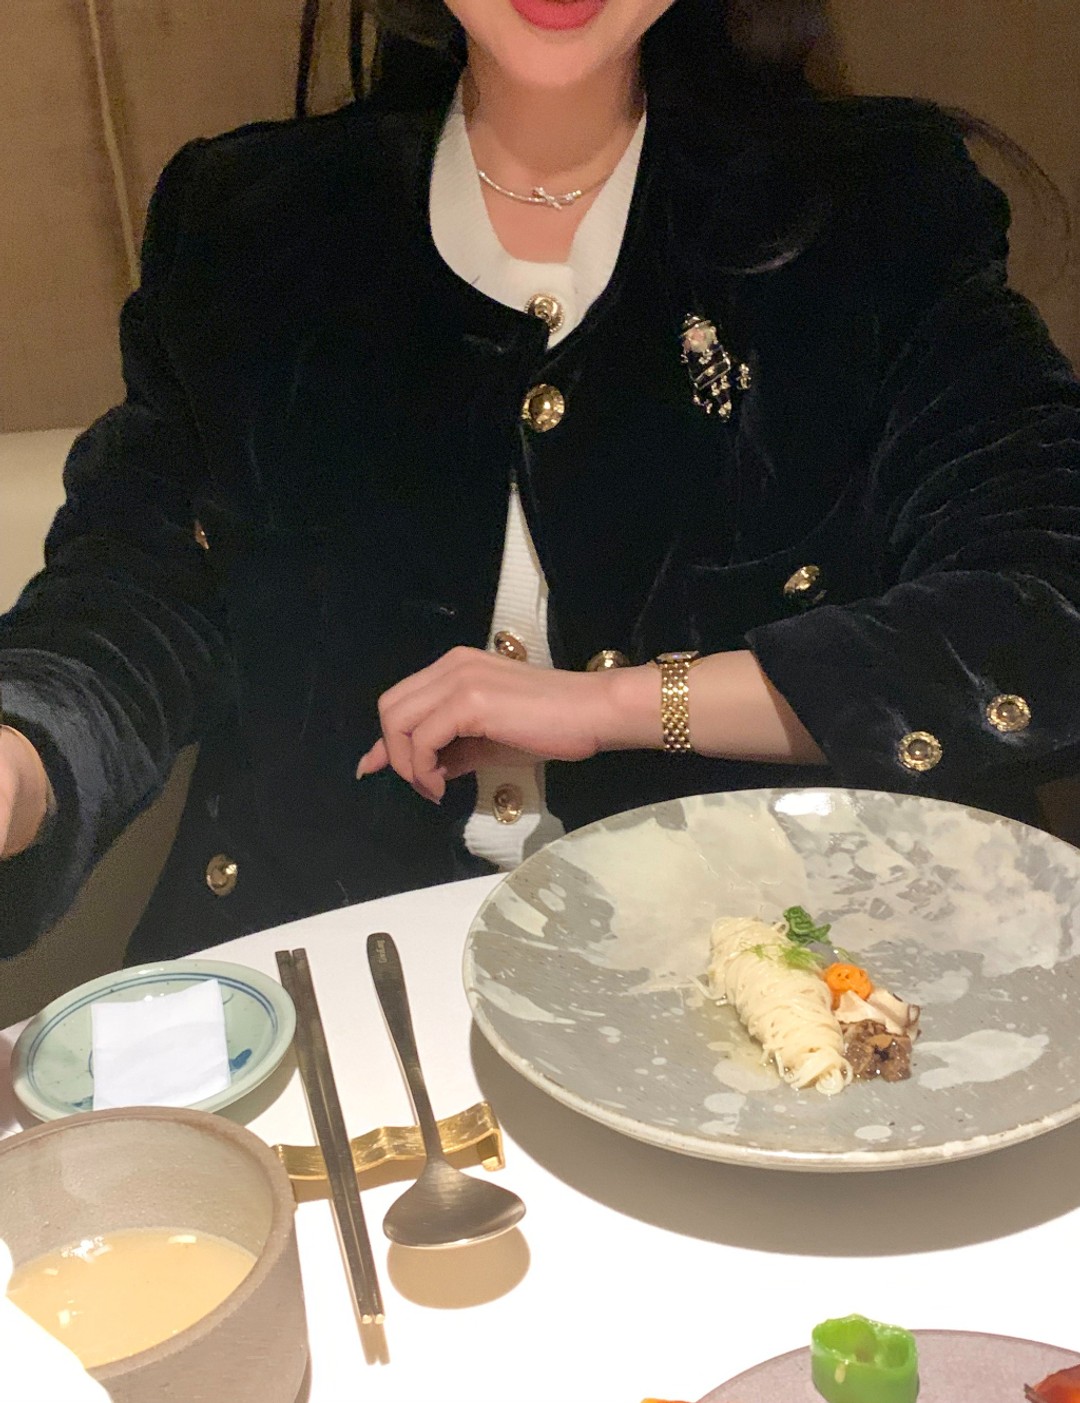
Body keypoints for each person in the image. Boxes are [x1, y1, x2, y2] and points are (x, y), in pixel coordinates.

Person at [1, 0, 1079, 963]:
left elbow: (1042, 599)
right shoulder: (250, 224)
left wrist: (618, 704)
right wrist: (21, 750)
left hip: (765, 989)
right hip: (334, 979)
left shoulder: (878, 210)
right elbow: (138, 590)